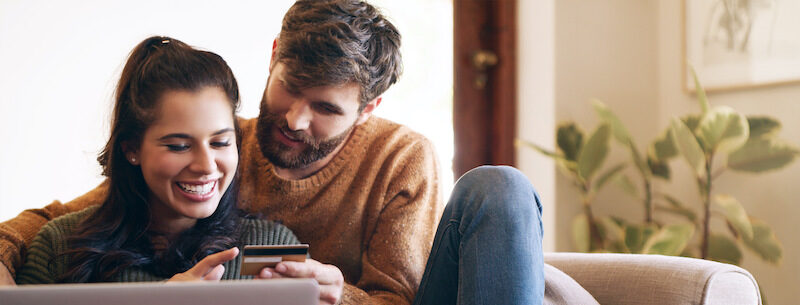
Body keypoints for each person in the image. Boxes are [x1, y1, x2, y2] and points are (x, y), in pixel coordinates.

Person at [0, 1, 544, 304]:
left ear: (368, 108)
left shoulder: (401, 159)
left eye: (325, 108)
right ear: (274, 55)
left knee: (499, 188)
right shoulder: (221, 146)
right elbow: (79, 216)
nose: (294, 120)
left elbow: (399, 301)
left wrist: (339, 295)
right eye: (290, 87)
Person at [13, 35, 342, 287]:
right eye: (179, 146)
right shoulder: (60, 249)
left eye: (220, 142)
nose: (206, 165)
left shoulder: (272, 249)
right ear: (131, 149)